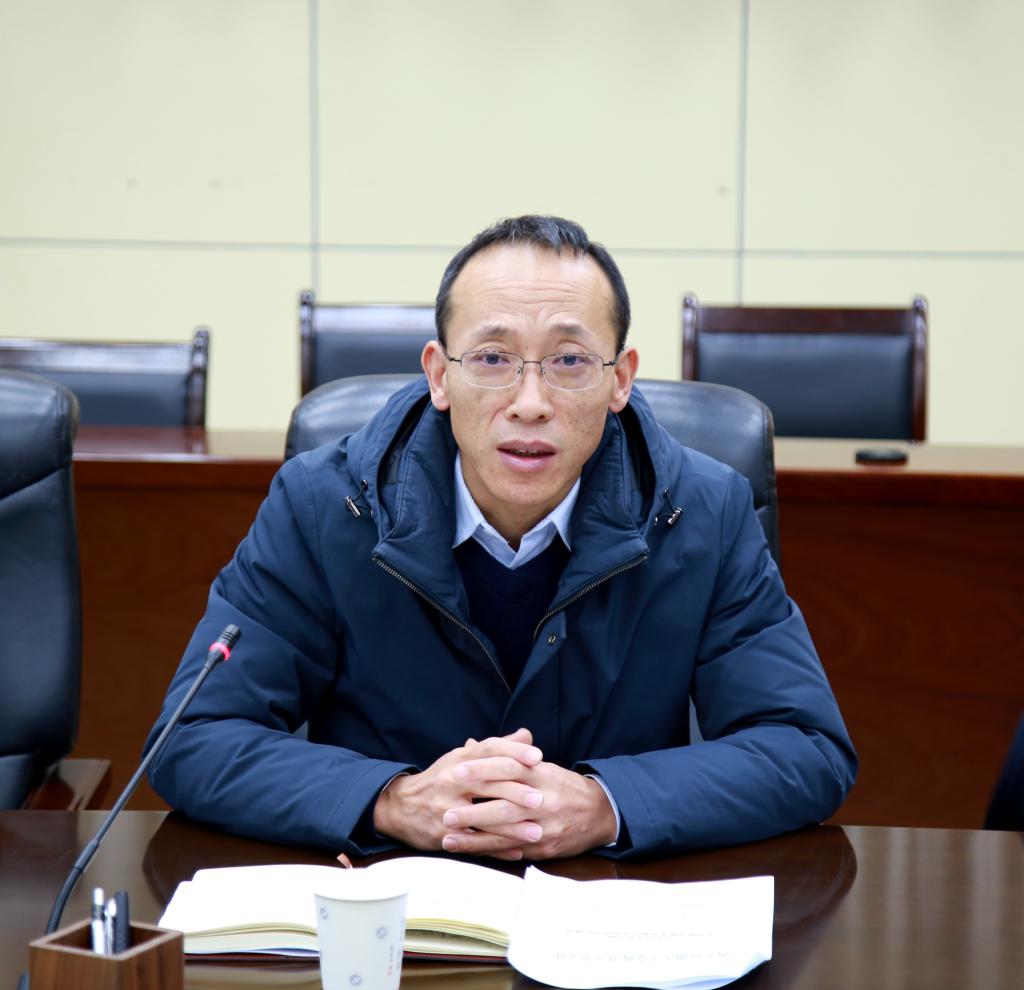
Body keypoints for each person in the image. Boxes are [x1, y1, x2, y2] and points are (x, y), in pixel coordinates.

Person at [147, 215, 856, 861]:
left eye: (570, 361)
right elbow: (194, 737)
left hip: (608, 913)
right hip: (391, 903)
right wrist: (392, 801)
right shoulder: (323, 506)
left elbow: (805, 749)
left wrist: (606, 805)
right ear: (439, 376)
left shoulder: (702, 511)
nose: (530, 403)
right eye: (492, 359)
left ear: (620, 381)